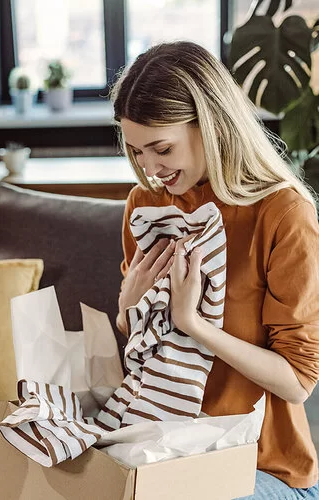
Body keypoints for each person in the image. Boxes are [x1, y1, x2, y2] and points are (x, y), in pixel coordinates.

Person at [112, 41, 319, 499]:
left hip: (261, 466)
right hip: (166, 449)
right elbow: (145, 355)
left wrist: (195, 325)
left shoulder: (282, 214)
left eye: (161, 148)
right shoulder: (145, 207)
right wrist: (128, 308)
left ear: (210, 124)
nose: (150, 168)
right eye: (136, 152)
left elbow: (298, 381)